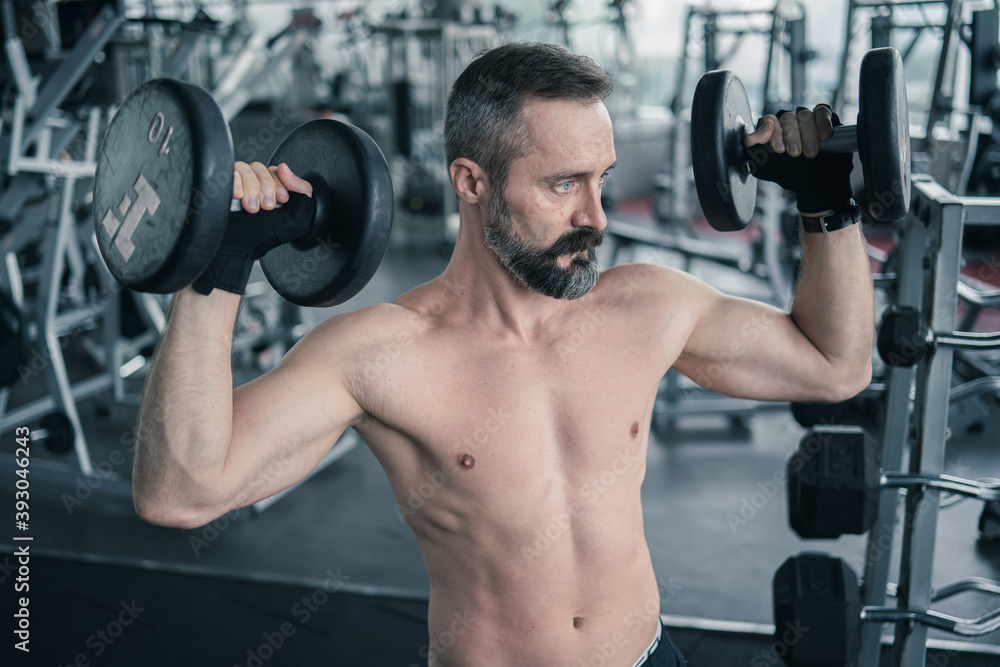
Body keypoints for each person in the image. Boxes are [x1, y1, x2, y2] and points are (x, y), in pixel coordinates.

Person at [132, 42, 873, 666]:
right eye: (563, 184)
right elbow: (180, 492)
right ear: (471, 182)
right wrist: (217, 265)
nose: (596, 216)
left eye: (602, 179)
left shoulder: (649, 306)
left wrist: (825, 203)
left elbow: (834, 366)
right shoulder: (380, 354)